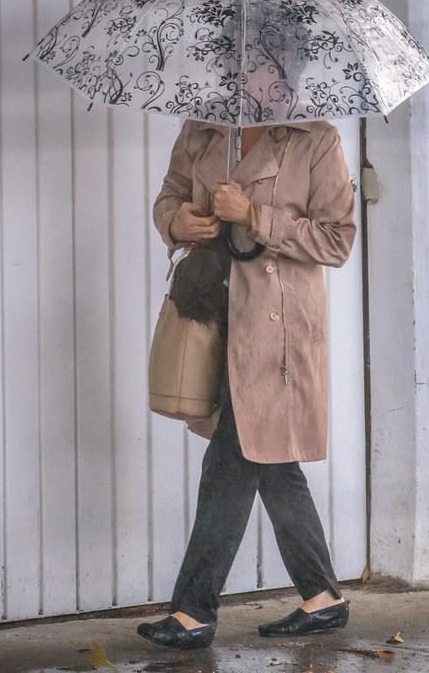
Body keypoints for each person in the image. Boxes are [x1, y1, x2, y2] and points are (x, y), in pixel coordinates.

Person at [136, 116, 357, 650]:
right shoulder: (203, 130)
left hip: (276, 331)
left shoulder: (314, 139)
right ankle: (323, 598)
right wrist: (179, 222)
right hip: (216, 320)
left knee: (230, 461)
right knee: (272, 461)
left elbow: (337, 240)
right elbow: (168, 198)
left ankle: (193, 612)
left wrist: (255, 216)